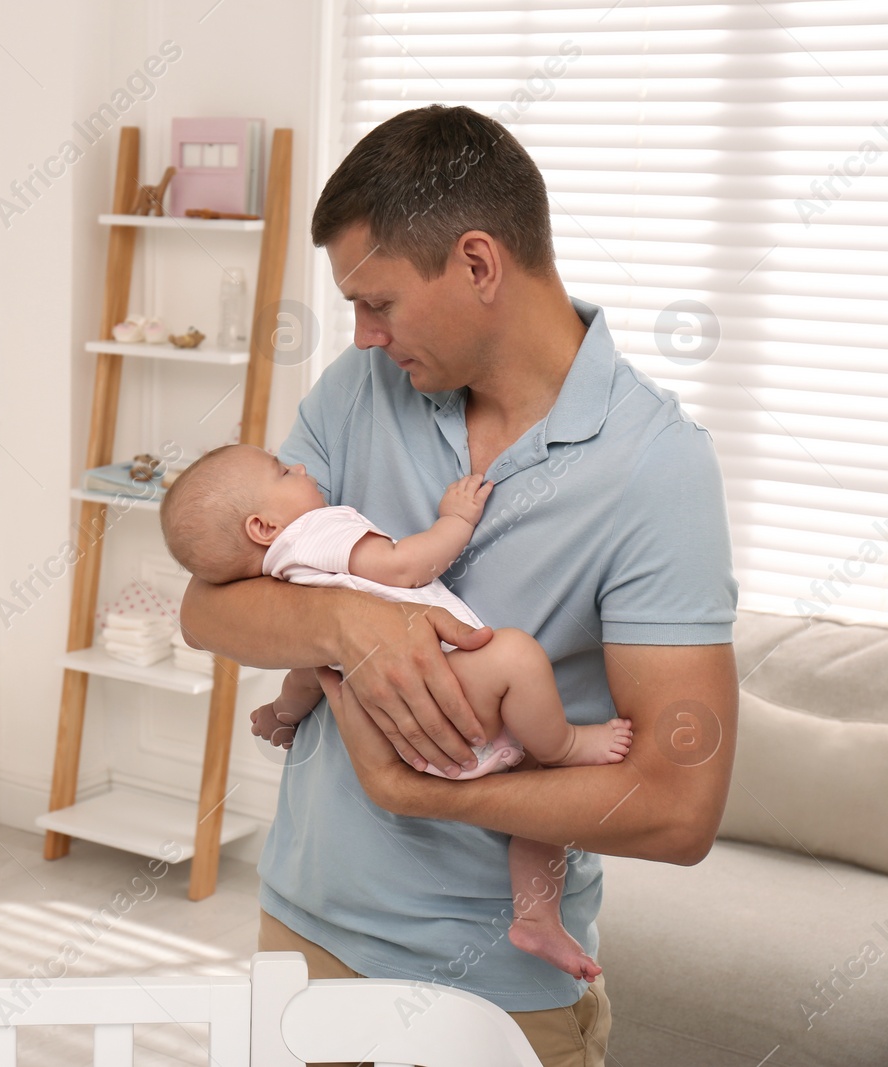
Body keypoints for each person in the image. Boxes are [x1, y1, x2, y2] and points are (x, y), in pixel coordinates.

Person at [178, 105, 739, 1067]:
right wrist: (351, 622)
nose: (359, 336)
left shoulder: (657, 467)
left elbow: (679, 811)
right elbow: (208, 606)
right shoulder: (362, 391)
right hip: (300, 941)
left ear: (478, 264)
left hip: (493, 1000)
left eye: (379, 302)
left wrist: (424, 796)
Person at [161, 442, 631, 981]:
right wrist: (454, 519)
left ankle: (535, 920)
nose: (301, 468)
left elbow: (308, 674)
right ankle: (567, 751)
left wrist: (282, 716)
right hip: (452, 692)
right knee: (517, 659)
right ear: (264, 528)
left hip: (399, 739)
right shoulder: (319, 531)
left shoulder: (286, 578)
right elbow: (405, 567)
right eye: (282, 472)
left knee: (538, 808)